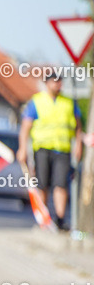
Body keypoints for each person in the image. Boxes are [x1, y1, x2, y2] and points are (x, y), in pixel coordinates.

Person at [18, 72, 84, 231]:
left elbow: (78, 127)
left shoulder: (68, 102)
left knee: (61, 184)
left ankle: (60, 219)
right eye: (54, 82)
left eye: (59, 81)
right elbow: (25, 127)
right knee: (42, 184)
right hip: (42, 149)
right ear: (46, 83)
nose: (57, 85)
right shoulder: (37, 102)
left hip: (62, 149)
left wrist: (79, 145)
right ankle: (44, 219)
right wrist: (22, 149)